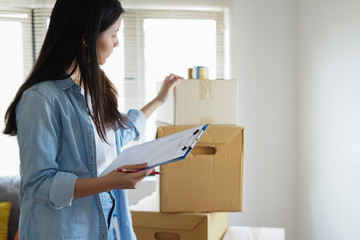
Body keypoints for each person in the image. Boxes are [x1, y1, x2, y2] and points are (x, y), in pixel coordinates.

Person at [2, 0, 182, 239]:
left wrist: (159, 100)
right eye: (114, 33)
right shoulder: (40, 99)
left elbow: (120, 132)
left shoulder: (95, 88)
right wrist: (110, 182)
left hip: (103, 228)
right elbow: (38, 182)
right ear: (86, 36)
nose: (117, 42)